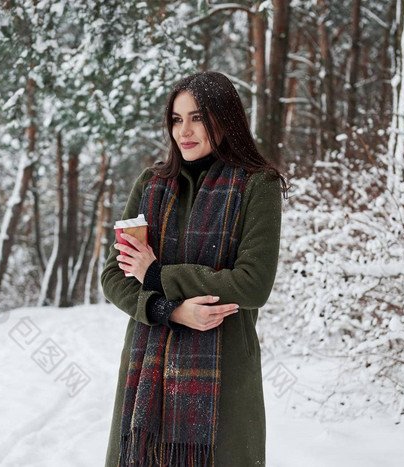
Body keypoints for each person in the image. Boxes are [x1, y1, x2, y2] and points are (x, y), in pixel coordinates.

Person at [100, 71, 288, 466]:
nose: (184, 131)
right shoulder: (151, 183)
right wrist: (169, 310)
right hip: (147, 372)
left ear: (225, 119)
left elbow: (253, 284)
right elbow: (114, 274)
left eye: (197, 118)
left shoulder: (258, 184)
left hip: (223, 379)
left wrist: (158, 276)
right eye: (176, 118)